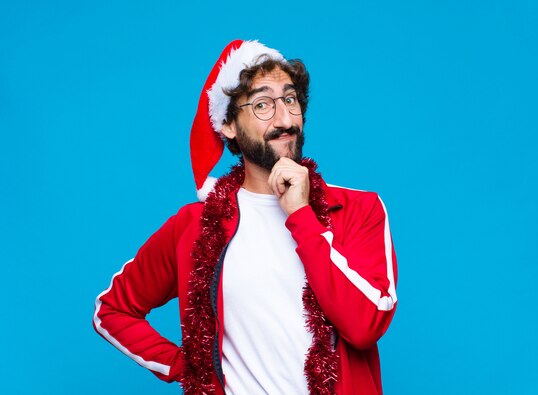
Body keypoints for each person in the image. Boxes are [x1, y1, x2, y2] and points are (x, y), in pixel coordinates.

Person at [93, 39, 398, 395]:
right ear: (228, 125)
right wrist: (190, 368)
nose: (284, 119)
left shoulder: (357, 209)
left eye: (289, 99)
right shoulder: (194, 226)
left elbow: (365, 325)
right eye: (263, 104)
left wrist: (301, 215)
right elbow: (111, 310)